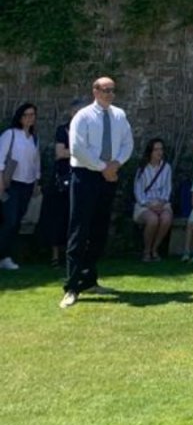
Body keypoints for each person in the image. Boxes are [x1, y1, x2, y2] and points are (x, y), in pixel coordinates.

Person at [61, 76, 134, 309]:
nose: (110, 94)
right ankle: (72, 287)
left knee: (99, 230)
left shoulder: (119, 115)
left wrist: (116, 164)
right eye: (105, 90)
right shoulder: (83, 116)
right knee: (79, 229)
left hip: (109, 175)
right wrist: (103, 167)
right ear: (95, 91)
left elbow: (127, 143)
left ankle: (89, 280)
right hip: (86, 175)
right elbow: (77, 148)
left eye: (112, 90)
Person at [40, 99, 86, 269]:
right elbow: (60, 153)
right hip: (62, 181)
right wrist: (81, 151)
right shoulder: (63, 130)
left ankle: (73, 256)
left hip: (81, 178)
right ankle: (55, 256)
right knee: (58, 218)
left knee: (75, 219)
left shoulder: (88, 130)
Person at [0, 102, 42, 271]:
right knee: (9, 220)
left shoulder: (34, 138)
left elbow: (36, 162)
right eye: (26, 115)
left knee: (17, 221)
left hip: (27, 184)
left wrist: (36, 182)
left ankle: (6, 255)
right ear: (19, 117)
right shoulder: (10, 134)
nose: (29, 118)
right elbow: (0, 159)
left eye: (32, 115)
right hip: (11, 184)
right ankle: (3, 255)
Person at [132, 137, 174, 262]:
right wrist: (149, 205)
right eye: (156, 149)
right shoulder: (142, 168)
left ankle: (154, 249)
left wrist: (161, 202)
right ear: (150, 152)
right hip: (145, 203)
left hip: (161, 202)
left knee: (166, 219)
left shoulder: (166, 167)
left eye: (161, 149)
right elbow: (138, 191)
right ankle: (146, 251)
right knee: (153, 220)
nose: (159, 152)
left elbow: (167, 188)